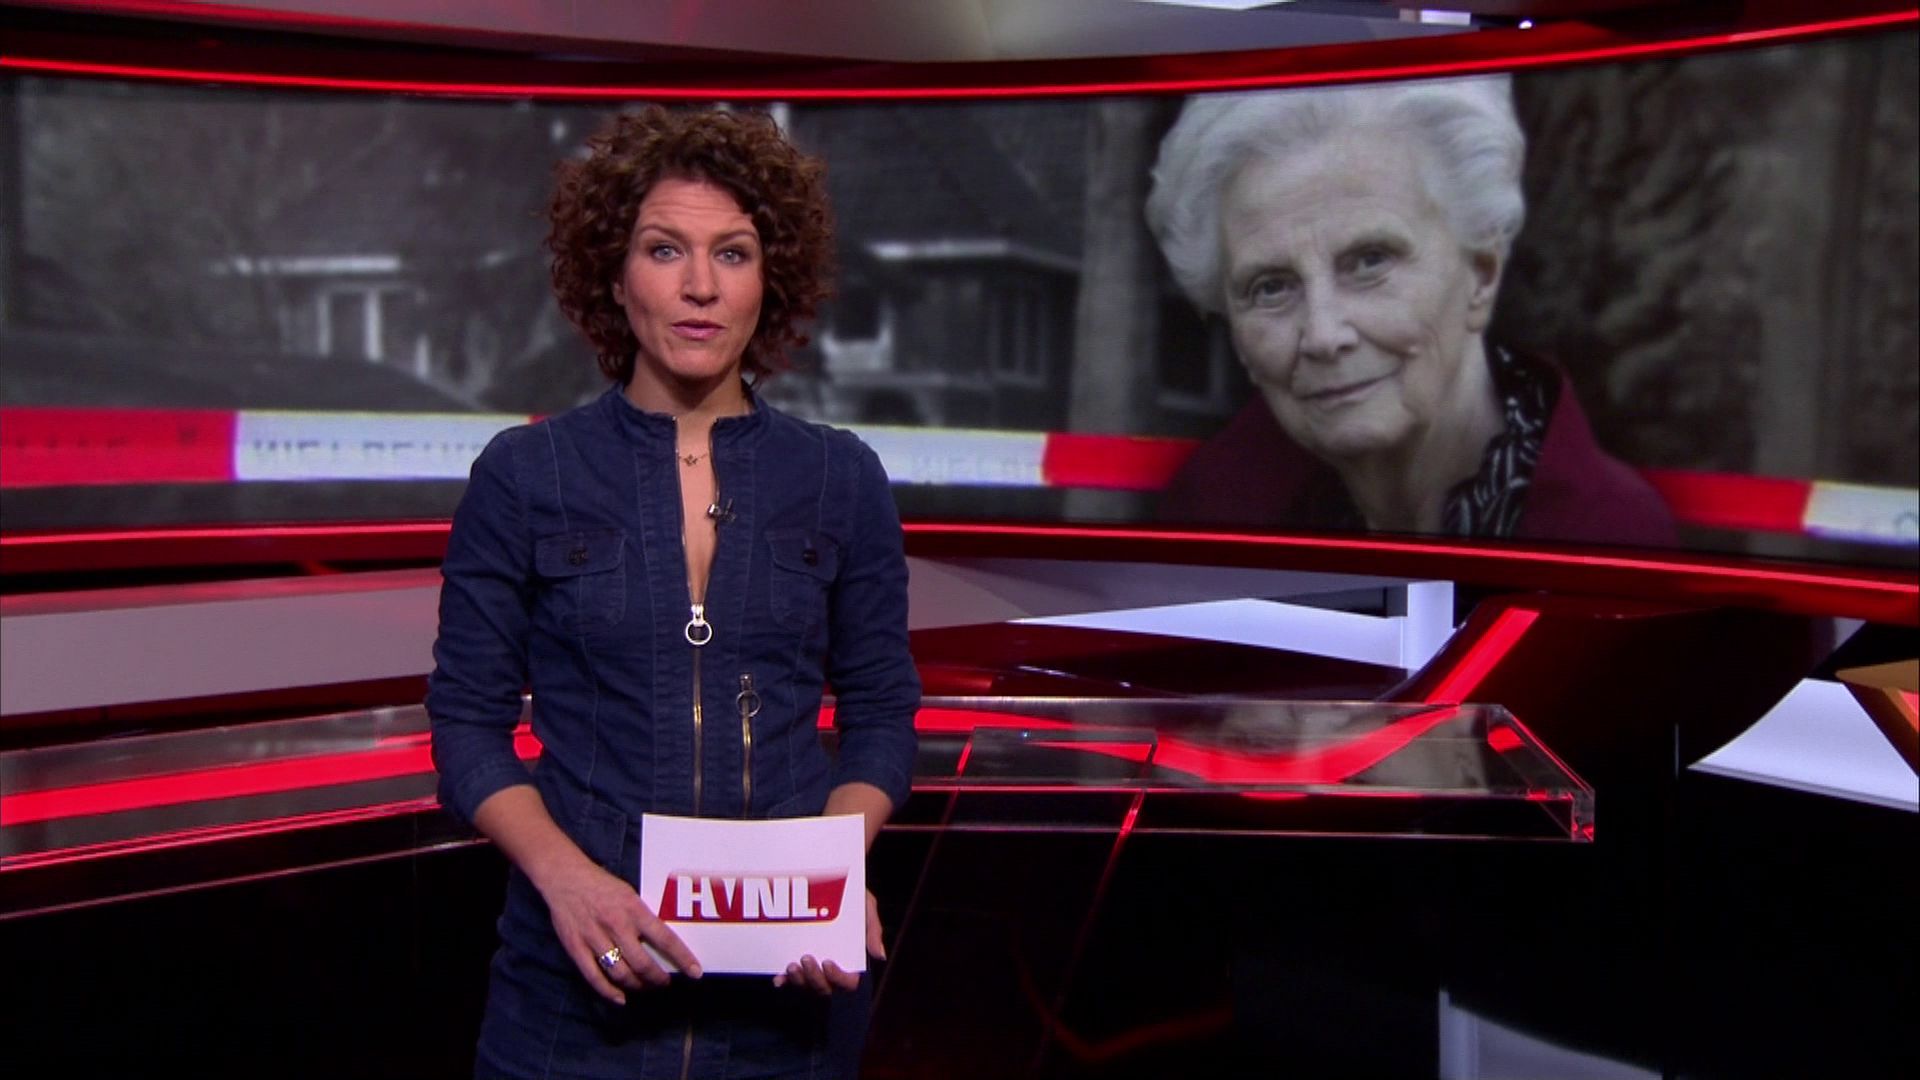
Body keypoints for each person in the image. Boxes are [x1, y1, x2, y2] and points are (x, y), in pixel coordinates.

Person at [427, 106, 920, 1079]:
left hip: (782, 1020)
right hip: (571, 1011)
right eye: (665, 250)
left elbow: (883, 714)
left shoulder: (841, 477)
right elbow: (465, 724)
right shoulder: (527, 474)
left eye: (732, 254)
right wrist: (567, 881)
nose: (701, 286)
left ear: (770, 280)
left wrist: (823, 877)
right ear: (614, 278)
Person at [1146, 76, 1677, 546]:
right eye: (1270, 288)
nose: (1324, 335)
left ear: (1482, 274)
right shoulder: (1210, 513)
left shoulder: (1608, 537)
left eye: (1370, 261)